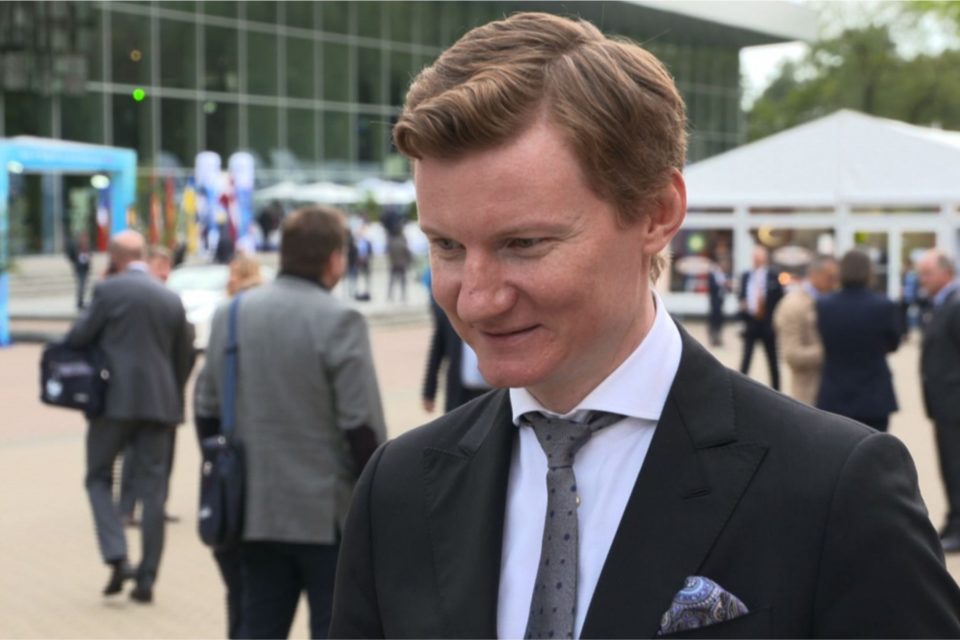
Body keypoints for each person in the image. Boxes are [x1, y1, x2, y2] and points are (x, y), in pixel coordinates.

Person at [329, 12, 960, 638]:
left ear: (658, 212)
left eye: (523, 244)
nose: (476, 300)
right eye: (446, 246)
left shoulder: (832, 488)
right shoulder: (398, 488)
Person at [195, 206, 387, 639]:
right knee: (335, 628)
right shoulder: (340, 320)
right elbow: (362, 430)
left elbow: (206, 412)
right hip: (325, 514)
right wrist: (376, 508)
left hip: (252, 510)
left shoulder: (232, 314)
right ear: (334, 259)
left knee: (257, 626)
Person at [66, 230, 195, 604]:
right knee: (154, 492)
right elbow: (185, 355)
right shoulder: (170, 297)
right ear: (142, 255)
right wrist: (171, 393)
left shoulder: (109, 291)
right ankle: (147, 579)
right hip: (160, 405)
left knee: (97, 476)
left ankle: (117, 554)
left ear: (114, 258)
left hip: (113, 404)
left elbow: (78, 337)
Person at [193, 251, 265, 639]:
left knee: (242, 597)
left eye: (232, 274)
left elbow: (204, 403)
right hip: (289, 487)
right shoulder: (277, 314)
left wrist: (215, 458)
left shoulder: (230, 317)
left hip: (236, 475)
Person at [118, 243, 180, 526]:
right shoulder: (134, 301)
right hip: (135, 394)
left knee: (165, 453)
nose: (165, 273)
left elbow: (183, 349)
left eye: (168, 267)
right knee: (134, 453)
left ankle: (156, 507)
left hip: (168, 392)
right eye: (160, 266)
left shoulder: (171, 300)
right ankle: (127, 508)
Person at [815, 250, 900, 432]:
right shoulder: (883, 306)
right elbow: (893, 344)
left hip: (834, 393)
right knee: (875, 446)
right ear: (869, 272)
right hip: (874, 394)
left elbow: (823, 339)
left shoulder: (824, 305)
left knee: (837, 447)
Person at [917, 249, 960, 552]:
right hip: (945, 404)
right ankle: (953, 520)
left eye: (927, 274)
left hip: (955, 404)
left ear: (946, 272)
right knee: (949, 466)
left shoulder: (956, 304)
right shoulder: (943, 302)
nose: (922, 280)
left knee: (956, 467)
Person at [772, 255, 838, 405]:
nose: (835, 282)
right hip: (810, 395)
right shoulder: (793, 305)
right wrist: (832, 351)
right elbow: (792, 354)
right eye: (830, 277)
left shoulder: (834, 299)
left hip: (835, 394)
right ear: (815, 274)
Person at [422, 298, 492, 413]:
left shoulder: (496, 311)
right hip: (461, 393)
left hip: (494, 392)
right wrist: (429, 392)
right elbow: (436, 352)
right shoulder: (448, 313)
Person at [737, 246, 783, 390]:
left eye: (759, 256)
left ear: (765, 258)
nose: (756, 259)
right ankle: (740, 388)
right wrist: (743, 305)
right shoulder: (746, 276)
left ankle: (777, 390)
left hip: (768, 324)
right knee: (746, 359)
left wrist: (777, 322)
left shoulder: (773, 275)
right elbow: (741, 295)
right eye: (754, 256)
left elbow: (780, 298)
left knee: (772, 360)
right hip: (751, 323)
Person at [705, 258, 729, 347]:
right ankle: (713, 338)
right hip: (714, 301)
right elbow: (711, 287)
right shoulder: (713, 275)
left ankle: (718, 339)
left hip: (721, 300)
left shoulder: (724, 275)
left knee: (719, 320)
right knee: (713, 320)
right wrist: (721, 284)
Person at [65, 234, 92, 309]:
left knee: (83, 285)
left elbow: (89, 256)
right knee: (81, 285)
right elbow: (72, 256)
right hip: (79, 268)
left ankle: (81, 301)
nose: (85, 240)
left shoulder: (87, 247)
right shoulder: (76, 247)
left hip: (85, 268)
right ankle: (79, 302)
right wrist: (74, 263)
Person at [386, 229, 413, 302]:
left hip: (394, 264)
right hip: (401, 264)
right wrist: (409, 262)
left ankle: (390, 296)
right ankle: (403, 296)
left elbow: (389, 253)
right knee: (402, 281)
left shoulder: (392, 242)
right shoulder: (402, 242)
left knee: (392, 281)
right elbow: (408, 253)